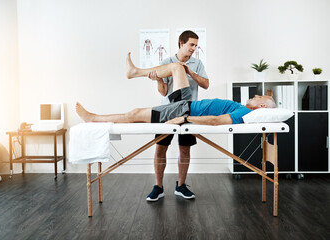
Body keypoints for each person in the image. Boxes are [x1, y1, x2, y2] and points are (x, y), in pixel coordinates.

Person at [76, 54, 276, 200]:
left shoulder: (245, 113)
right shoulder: (244, 108)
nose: (255, 95)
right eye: (191, 45)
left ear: (260, 106)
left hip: (183, 110)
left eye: (259, 97)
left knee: (135, 114)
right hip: (185, 104)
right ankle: (134, 72)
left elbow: (216, 121)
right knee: (176, 68)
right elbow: (166, 90)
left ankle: (93, 118)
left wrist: (186, 118)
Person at [146, 30, 209, 201]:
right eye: (191, 45)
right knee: (160, 149)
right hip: (167, 111)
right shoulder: (167, 62)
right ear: (181, 43)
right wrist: (158, 79)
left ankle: (181, 186)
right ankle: (158, 187)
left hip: (188, 112)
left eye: (196, 45)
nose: (194, 48)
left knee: (184, 149)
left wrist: (190, 73)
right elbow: (164, 91)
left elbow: (206, 84)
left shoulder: (197, 63)